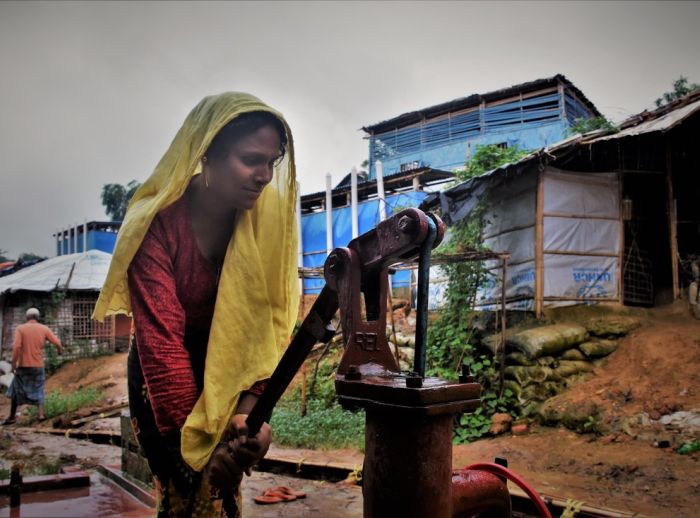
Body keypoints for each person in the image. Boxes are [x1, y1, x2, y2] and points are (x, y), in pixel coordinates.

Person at [93, 93, 299, 517]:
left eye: (271, 163)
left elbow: (269, 322)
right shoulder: (156, 225)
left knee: (225, 491)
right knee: (186, 487)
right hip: (163, 374)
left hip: (229, 367)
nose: (263, 176)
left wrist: (250, 414)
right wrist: (205, 448)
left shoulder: (263, 223)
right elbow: (163, 343)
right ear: (207, 154)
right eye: (250, 159)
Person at [4, 307, 63, 423]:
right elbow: (57, 342)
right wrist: (59, 350)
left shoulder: (21, 328)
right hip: (37, 366)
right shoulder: (44, 328)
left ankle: (12, 416)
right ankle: (41, 414)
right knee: (39, 387)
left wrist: (14, 364)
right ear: (38, 317)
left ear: (27, 318)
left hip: (23, 366)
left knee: (16, 389)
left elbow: (16, 347)